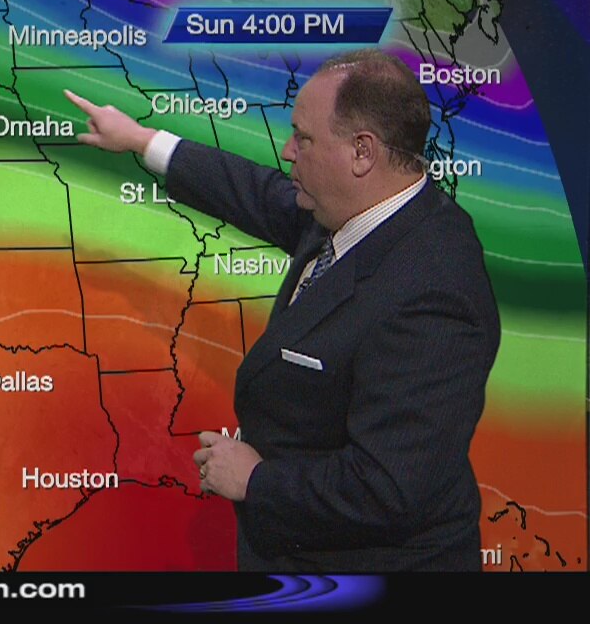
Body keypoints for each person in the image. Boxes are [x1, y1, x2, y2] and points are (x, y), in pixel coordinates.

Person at [64, 48, 501, 571]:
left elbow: (387, 486)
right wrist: (142, 140)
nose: (289, 152)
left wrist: (255, 480)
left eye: (304, 138)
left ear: (362, 152)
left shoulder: (433, 292)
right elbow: (256, 193)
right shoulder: (355, 211)